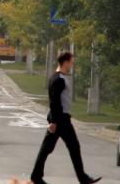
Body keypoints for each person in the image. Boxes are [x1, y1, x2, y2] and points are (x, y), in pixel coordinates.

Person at [30, 52, 101, 184]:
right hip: (61, 119)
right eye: (71, 62)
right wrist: (53, 121)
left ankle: (36, 176)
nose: (72, 64)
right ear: (65, 62)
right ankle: (82, 178)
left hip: (60, 118)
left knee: (50, 148)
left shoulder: (58, 77)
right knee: (69, 147)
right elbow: (54, 101)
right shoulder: (59, 79)